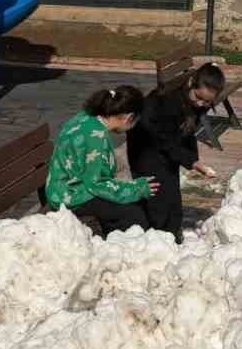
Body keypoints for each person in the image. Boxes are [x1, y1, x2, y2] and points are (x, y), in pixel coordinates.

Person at [126, 63, 223, 242]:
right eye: (199, 97)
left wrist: (192, 158)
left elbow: (186, 132)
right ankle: (153, 239)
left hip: (166, 147)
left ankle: (171, 235)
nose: (201, 104)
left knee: (172, 196)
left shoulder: (191, 99)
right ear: (191, 83)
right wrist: (191, 161)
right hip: (145, 147)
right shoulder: (168, 101)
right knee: (156, 197)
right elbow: (164, 139)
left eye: (207, 101)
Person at [46, 85, 157, 234]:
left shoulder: (86, 117)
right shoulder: (96, 137)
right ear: (129, 117)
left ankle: (114, 240)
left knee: (122, 207)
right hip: (70, 195)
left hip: (63, 186)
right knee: (133, 214)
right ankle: (127, 249)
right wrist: (137, 188)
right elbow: (97, 184)